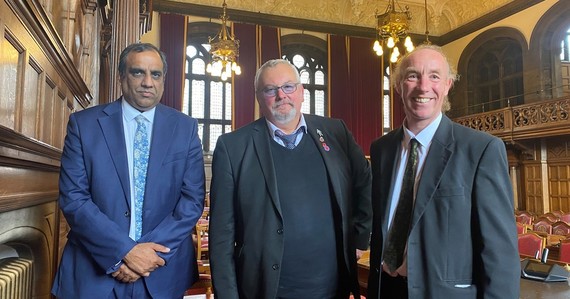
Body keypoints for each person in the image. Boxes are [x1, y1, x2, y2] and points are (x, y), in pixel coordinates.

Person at [51, 43, 205, 298]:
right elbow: (74, 199)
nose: (147, 82)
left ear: (164, 80)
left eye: (155, 74)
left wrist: (147, 255)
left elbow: (191, 201)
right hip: (93, 272)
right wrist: (125, 251)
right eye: (137, 72)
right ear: (121, 77)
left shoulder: (185, 128)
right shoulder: (84, 125)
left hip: (161, 274)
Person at [209, 59, 372, 299]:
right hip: (267, 289)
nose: (281, 96)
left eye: (288, 87)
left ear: (302, 92)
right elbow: (221, 236)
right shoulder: (233, 147)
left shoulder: (335, 132)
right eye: (270, 89)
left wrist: (359, 237)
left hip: (332, 286)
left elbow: (364, 181)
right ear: (258, 97)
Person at [367, 44, 520, 299]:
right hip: (387, 289)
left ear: (448, 85)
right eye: (413, 75)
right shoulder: (381, 149)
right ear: (398, 86)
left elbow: (500, 254)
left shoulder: (481, 149)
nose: (423, 87)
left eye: (434, 76)